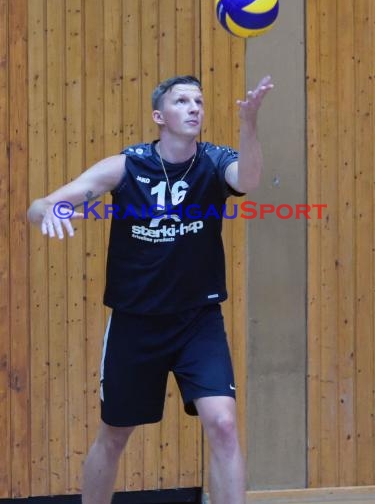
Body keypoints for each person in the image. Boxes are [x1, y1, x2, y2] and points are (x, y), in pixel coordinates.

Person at [27, 74, 273, 504]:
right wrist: (49, 210)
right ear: (160, 116)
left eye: (198, 100)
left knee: (224, 424)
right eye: (182, 101)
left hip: (198, 321)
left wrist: (249, 124)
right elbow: (42, 204)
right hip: (136, 323)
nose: (194, 107)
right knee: (115, 434)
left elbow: (249, 180)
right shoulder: (128, 165)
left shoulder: (215, 162)